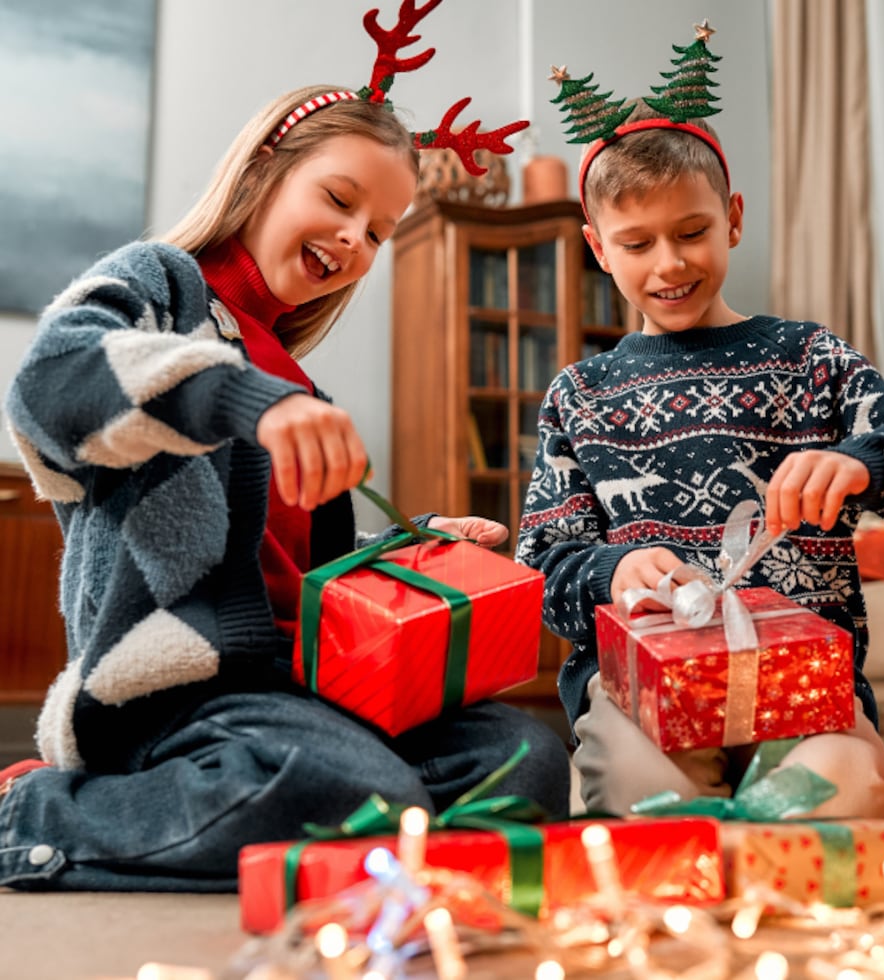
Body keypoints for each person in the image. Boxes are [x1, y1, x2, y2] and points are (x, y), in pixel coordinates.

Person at [0, 40, 571, 890]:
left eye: (378, 232)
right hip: (180, 688)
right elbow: (50, 381)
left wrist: (406, 551)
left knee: (525, 760)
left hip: (306, 686)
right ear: (267, 167)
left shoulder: (295, 376)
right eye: (339, 200)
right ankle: (33, 815)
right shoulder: (163, 286)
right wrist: (249, 403)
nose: (353, 239)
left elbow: (298, 570)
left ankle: (364, 832)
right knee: (344, 786)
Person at [516, 45, 884, 820]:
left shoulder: (809, 358)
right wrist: (612, 571)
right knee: (648, 808)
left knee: (841, 797)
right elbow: (543, 570)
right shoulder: (579, 395)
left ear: (733, 219)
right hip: (642, 694)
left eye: (692, 231)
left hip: (802, 690)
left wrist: (863, 462)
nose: (669, 264)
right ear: (599, 249)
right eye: (636, 244)